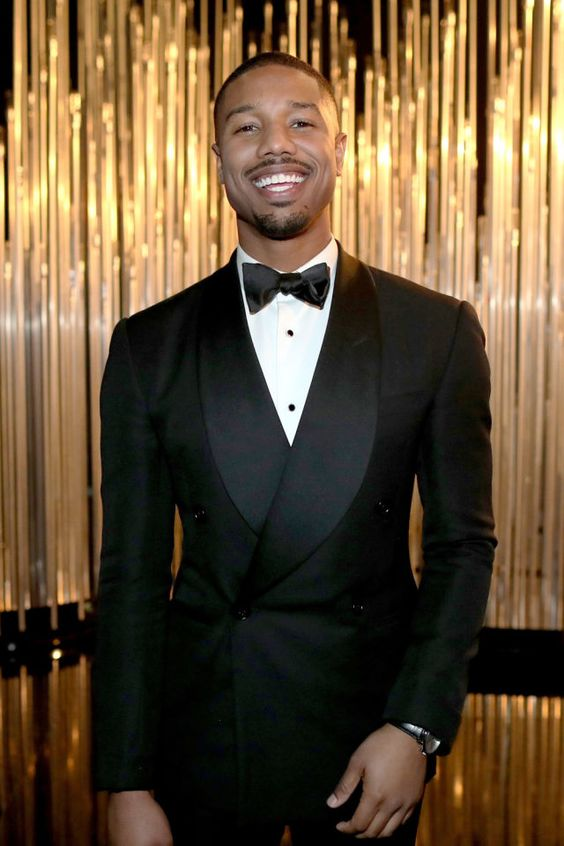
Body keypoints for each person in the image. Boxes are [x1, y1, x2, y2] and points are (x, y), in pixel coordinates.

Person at [94, 52, 496, 845]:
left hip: (370, 744)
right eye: (247, 128)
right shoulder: (148, 345)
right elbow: (131, 578)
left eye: (301, 122)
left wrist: (415, 728)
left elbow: (463, 547)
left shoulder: (437, 331)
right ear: (218, 161)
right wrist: (126, 781)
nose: (275, 144)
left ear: (340, 149)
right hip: (203, 747)